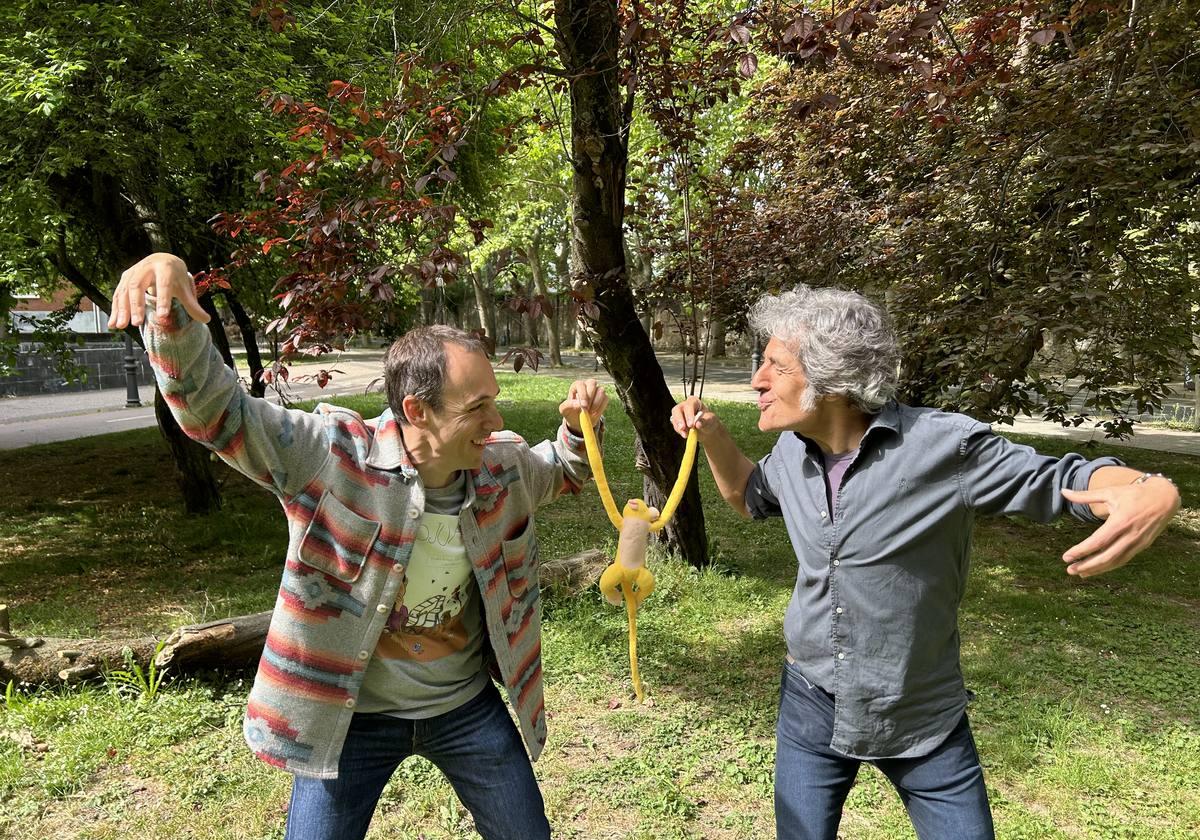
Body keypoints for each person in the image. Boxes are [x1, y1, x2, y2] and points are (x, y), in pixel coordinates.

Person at [108, 252, 610, 840]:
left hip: (464, 707)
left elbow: (561, 470)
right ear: (416, 410)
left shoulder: (500, 469)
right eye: (478, 407)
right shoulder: (331, 457)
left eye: (493, 400)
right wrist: (168, 311)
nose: (495, 419)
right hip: (351, 718)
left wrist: (579, 429)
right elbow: (218, 413)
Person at [671, 286, 1180, 840]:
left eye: (776, 366)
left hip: (920, 712)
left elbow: (1060, 479)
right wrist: (715, 434)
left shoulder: (944, 447)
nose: (757, 381)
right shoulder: (795, 451)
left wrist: (1148, 487)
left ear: (834, 379)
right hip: (810, 697)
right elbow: (748, 494)